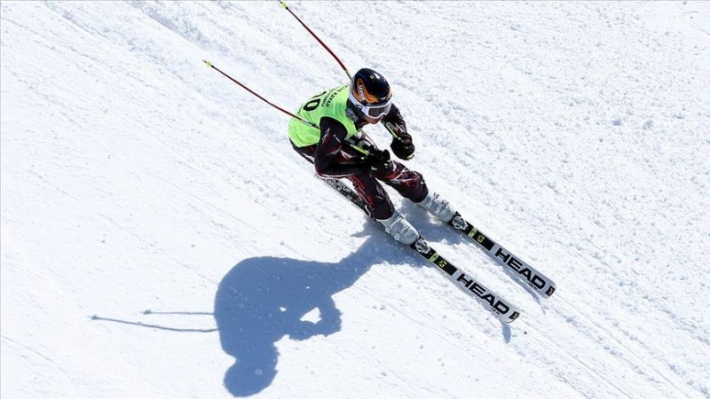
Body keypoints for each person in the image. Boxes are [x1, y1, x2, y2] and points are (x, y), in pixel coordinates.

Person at [288, 68, 457, 245]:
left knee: (382, 164)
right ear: (359, 106)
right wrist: (361, 166)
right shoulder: (335, 125)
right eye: (376, 112)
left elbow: (391, 113)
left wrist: (402, 137)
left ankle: (421, 193)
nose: (381, 115)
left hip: (344, 129)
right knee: (362, 174)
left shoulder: (362, 107)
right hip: (311, 141)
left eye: (384, 107)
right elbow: (323, 169)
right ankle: (386, 217)